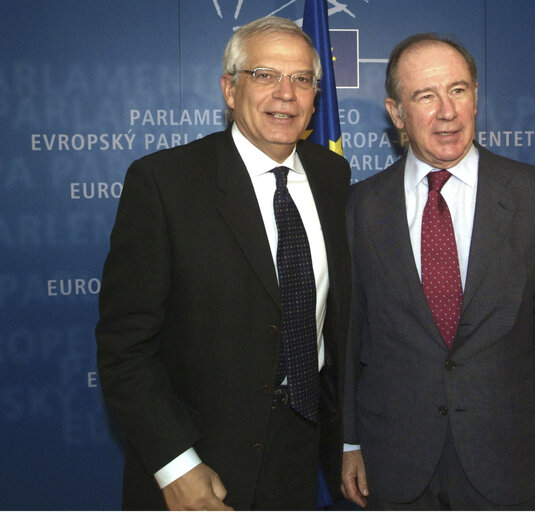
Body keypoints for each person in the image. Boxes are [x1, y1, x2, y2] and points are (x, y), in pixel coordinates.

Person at [96, 16, 351, 510]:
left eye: (302, 79)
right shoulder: (164, 182)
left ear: (315, 97)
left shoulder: (332, 176)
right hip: (199, 463)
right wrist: (176, 466)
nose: (286, 93)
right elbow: (124, 348)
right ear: (229, 90)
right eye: (265, 75)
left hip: (301, 453)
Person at [341, 33, 535, 510]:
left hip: (506, 455)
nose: (447, 111)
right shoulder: (361, 206)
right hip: (392, 459)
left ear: (476, 97)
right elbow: (352, 334)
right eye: (425, 96)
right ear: (396, 114)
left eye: (458, 90)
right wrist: (349, 442)